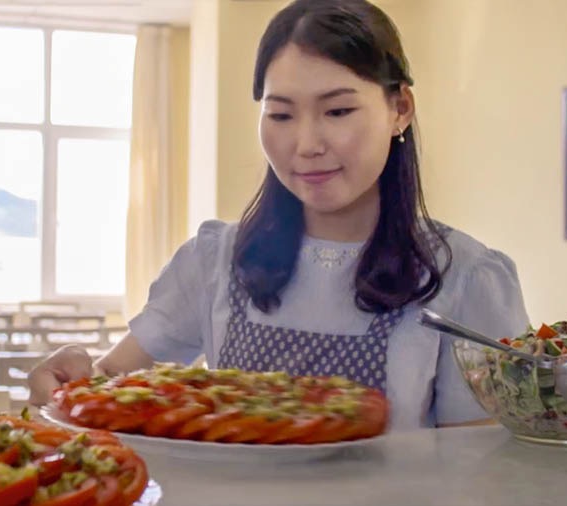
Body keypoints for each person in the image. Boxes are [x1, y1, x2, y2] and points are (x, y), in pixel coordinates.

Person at [28, 0, 529, 430]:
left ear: (399, 109)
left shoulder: (465, 277)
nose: (306, 145)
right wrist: (74, 375)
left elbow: (480, 467)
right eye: (281, 115)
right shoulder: (215, 260)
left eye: (337, 112)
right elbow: (113, 386)